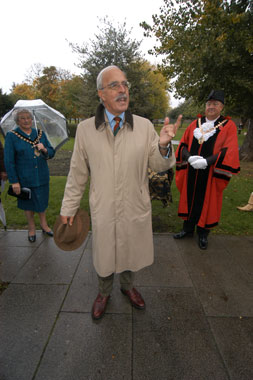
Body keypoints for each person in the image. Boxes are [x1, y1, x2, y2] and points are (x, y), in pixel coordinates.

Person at [60, 65, 182, 320]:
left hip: (134, 204)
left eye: (125, 84)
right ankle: (104, 293)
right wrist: (68, 208)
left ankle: (128, 287)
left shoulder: (144, 126)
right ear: (101, 94)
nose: (122, 90)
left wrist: (162, 145)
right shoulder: (85, 130)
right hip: (103, 206)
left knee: (130, 250)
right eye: (114, 85)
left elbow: (159, 166)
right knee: (104, 253)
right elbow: (77, 174)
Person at [173, 90, 240, 249]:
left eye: (215, 104)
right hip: (191, 171)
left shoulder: (228, 125)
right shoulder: (195, 123)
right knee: (189, 198)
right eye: (209, 104)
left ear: (221, 107)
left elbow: (228, 150)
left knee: (207, 202)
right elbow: (182, 144)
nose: (211, 107)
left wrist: (207, 161)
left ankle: (203, 234)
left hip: (210, 173)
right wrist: (189, 157)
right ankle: (187, 229)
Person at [4, 108, 55, 242]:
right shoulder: (12, 136)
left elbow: (51, 152)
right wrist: (14, 181)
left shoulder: (40, 133)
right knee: (28, 205)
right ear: (17, 121)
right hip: (24, 178)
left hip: (42, 176)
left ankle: (44, 225)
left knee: (42, 203)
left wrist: (44, 149)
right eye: (23, 118)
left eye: (29, 118)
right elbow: (9, 161)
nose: (27, 120)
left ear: (32, 119)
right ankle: (31, 228)